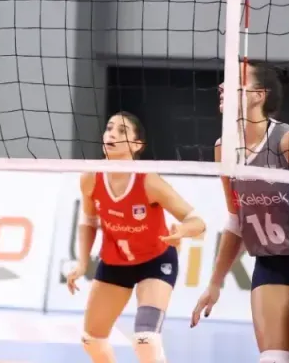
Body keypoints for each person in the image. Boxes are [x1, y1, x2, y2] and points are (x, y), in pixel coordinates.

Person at [191, 62, 289, 363]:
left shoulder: (287, 142)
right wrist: (215, 283)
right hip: (271, 260)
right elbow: (236, 219)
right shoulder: (224, 149)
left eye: (234, 82)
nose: (221, 87)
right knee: (273, 359)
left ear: (258, 95)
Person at [65, 112, 206, 363]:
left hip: (155, 261)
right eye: (109, 128)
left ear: (137, 145)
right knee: (90, 340)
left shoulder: (148, 181)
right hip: (115, 262)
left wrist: (182, 231)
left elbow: (197, 222)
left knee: (145, 339)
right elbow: (89, 221)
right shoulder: (90, 178)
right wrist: (83, 263)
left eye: (122, 131)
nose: (112, 134)